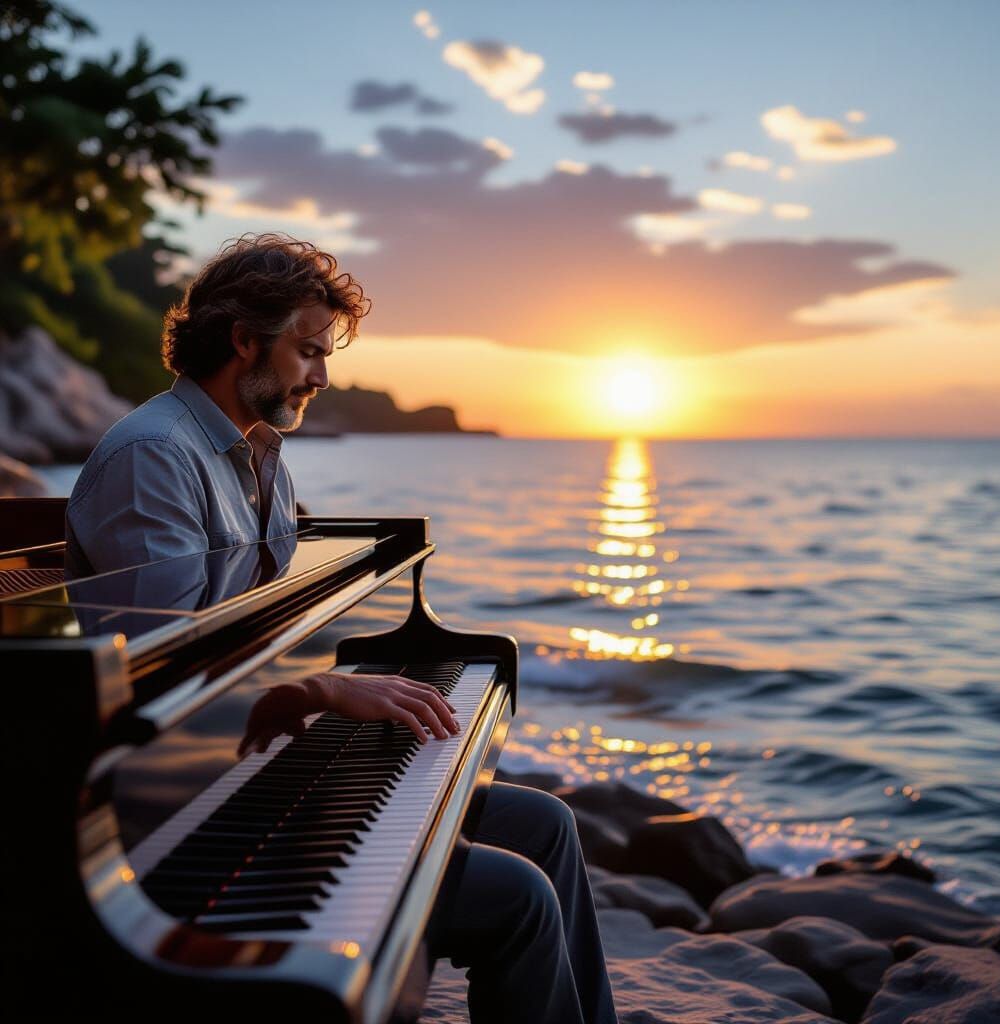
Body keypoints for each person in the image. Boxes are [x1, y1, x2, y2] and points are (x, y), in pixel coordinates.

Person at [66, 234, 617, 1024]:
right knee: (518, 897)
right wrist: (330, 689)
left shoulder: (258, 452)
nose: (323, 375)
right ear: (243, 339)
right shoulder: (154, 455)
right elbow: (175, 676)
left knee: (548, 823)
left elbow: (262, 638)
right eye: (308, 351)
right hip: (181, 819)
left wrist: (336, 689)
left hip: (257, 759)